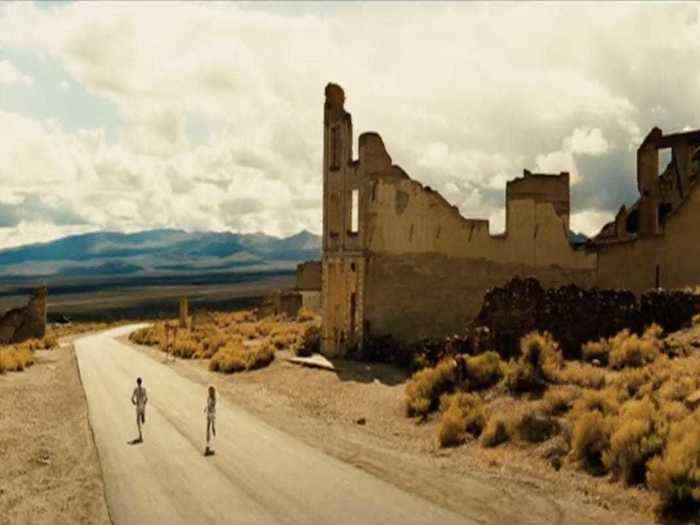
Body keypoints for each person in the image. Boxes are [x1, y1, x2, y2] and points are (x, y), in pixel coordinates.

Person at [131, 377, 148, 443]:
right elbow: (146, 399)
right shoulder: (144, 389)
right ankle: (143, 415)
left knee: (138, 421)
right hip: (142, 406)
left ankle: (140, 434)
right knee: (142, 420)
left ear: (137, 382)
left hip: (138, 406)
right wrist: (144, 404)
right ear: (141, 382)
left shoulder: (135, 389)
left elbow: (132, 399)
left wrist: (134, 403)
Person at [204, 385, 216, 454]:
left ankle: (208, 447)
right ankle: (209, 447)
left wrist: (206, 408)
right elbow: (211, 407)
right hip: (211, 414)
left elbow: (209, 405)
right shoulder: (213, 398)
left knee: (208, 430)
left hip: (209, 414)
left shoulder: (209, 398)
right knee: (212, 430)